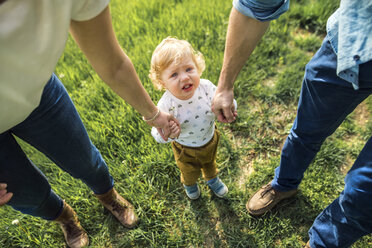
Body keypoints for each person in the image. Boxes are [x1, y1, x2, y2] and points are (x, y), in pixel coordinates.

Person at [0, 1, 179, 247]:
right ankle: (65, 217)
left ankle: (109, 197)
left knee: (85, 160)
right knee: (26, 194)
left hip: (37, 92)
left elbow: (113, 64)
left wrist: (152, 114)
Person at [211, 0, 372, 247]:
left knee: (364, 190)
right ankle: (284, 184)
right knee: (306, 129)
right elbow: (255, 5)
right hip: (349, 43)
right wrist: (225, 86)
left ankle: (321, 243)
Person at [149, 37, 237, 200]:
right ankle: (189, 184)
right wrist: (168, 134)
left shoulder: (206, 87)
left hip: (210, 139)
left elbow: (223, 99)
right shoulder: (166, 104)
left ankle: (212, 179)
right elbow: (156, 134)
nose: (184, 78)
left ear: (197, 67)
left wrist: (230, 107)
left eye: (189, 69)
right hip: (185, 149)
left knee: (210, 164)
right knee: (188, 171)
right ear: (163, 83)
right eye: (174, 74)